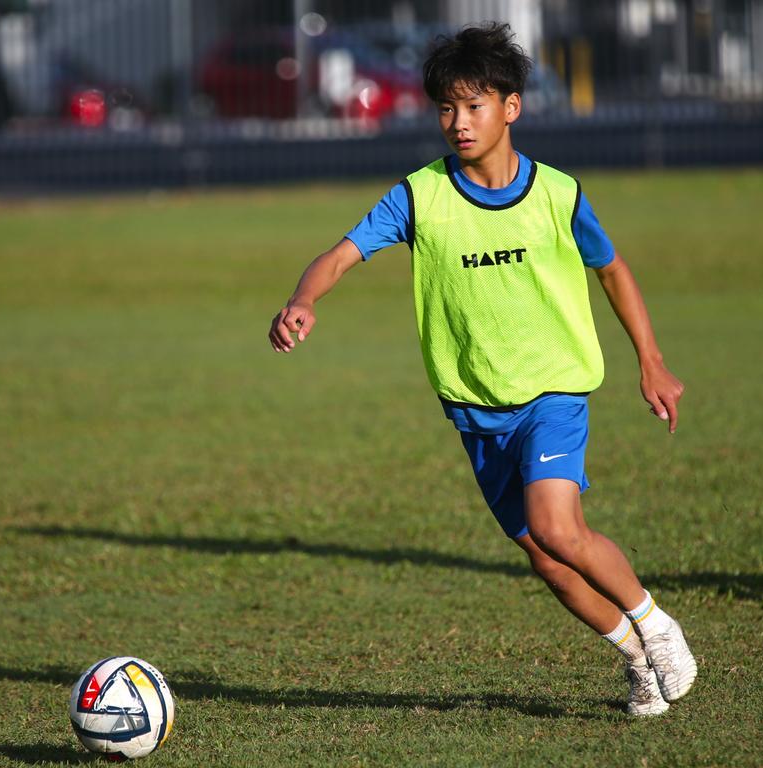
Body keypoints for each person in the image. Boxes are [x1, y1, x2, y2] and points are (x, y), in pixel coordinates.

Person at [267, 21, 697, 716]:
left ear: (511, 107)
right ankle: (638, 659)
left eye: (474, 106)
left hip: (554, 388)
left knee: (559, 527)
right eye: (446, 108)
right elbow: (341, 253)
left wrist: (651, 361)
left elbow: (611, 269)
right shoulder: (419, 196)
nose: (458, 123)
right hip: (476, 408)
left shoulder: (557, 193)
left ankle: (659, 626)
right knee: (550, 562)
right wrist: (302, 299)